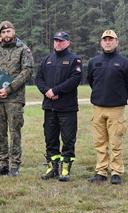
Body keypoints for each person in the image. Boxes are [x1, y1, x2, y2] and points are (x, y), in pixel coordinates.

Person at [87, 30, 128, 185]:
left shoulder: (124, 62)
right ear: (101, 43)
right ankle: (101, 170)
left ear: (117, 42)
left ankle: (116, 171)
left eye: (111, 39)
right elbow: (90, 81)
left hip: (116, 108)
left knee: (115, 142)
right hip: (98, 107)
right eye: (105, 40)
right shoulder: (94, 61)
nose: (108, 42)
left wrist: (120, 97)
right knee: (100, 142)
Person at [0, 21, 34, 177]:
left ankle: (14, 165)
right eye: (3, 32)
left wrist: (9, 88)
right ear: (0, 34)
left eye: (9, 31)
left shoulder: (23, 49)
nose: (6, 34)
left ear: (14, 31)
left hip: (14, 98)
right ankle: (3, 164)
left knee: (14, 132)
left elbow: (26, 71)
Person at [36, 31, 82, 182]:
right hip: (49, 107)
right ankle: (52, 167)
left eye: (61, 41)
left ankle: (65, 168)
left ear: (68, 43)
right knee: (50, 138)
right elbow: (39, 79)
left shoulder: (74, 60)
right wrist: (47, 91)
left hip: (67, 108)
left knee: (68, 139)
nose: (58, 43)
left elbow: (74, 80)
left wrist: (56, 91)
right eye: (56, 41)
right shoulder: (47, 60)